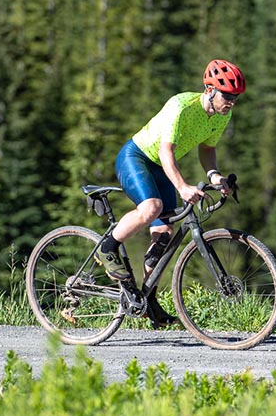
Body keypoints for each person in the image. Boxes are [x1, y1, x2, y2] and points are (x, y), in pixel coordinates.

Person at [95, 59, 245, 326]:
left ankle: (147, 298)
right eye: (227, 96)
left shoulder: (223, 115)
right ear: (209, 89)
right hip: (137, 157)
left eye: (235, 98)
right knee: (151, 207)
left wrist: (215, 176)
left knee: (164, 233)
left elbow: (207, 150)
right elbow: (166, 153)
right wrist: (183, 187)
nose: (231, 102)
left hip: (160, 167)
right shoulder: (181, 106)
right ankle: (107, 248)